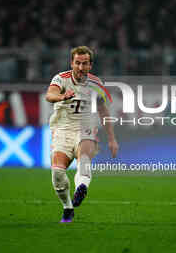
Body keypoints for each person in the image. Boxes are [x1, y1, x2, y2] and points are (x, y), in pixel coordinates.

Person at [45, 46, 119, 223]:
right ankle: (68, 207)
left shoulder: (96, 83)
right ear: (71, 63)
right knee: (57, 173)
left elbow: (103, 111)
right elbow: (50, 95)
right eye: (77, 63)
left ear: (90, 65)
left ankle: (82, 187)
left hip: (86, 127)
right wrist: (62, 97)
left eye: (84, 63)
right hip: (62, 129)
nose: (80, 67)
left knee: (84, 158)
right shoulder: (60, 79)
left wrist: (112, 138)